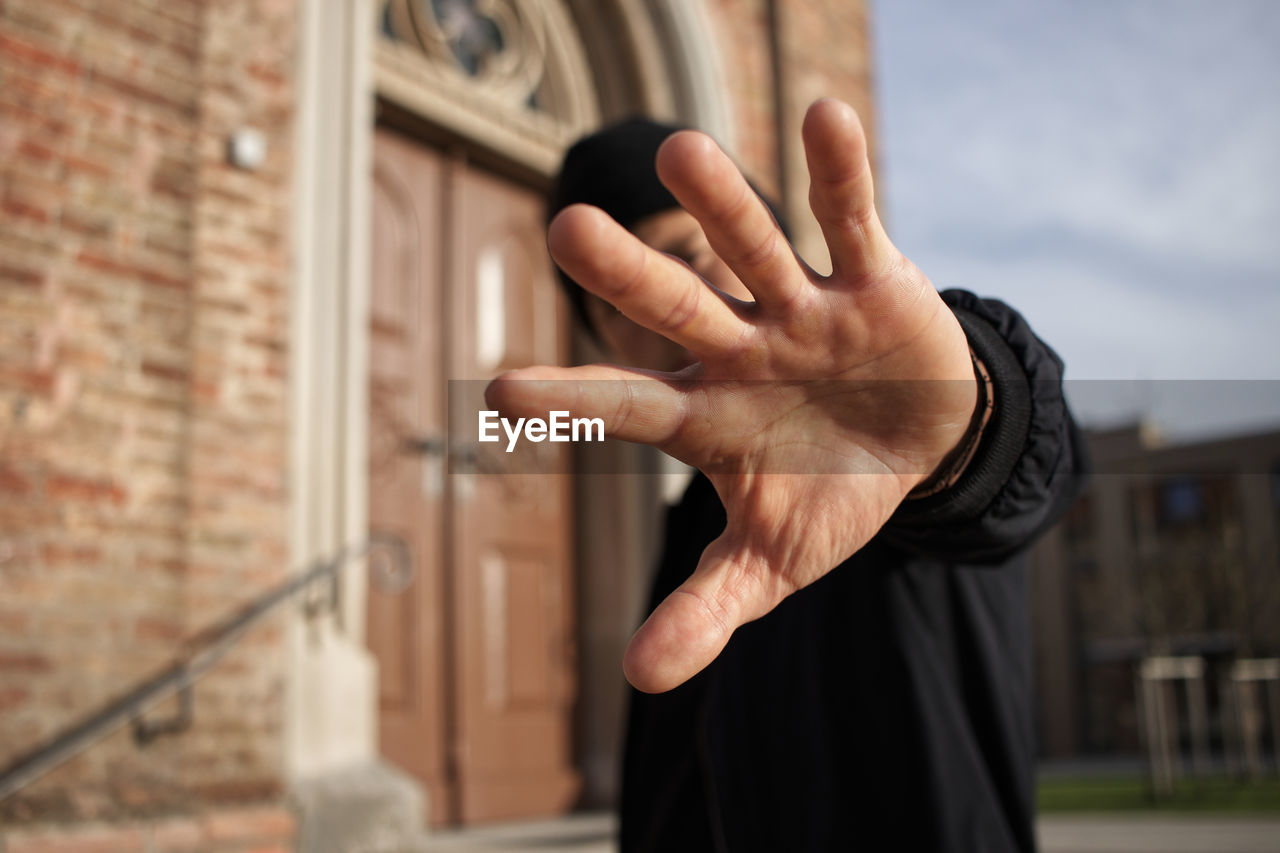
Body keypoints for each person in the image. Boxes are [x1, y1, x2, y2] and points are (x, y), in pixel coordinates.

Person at [487, 98, 1086, 852]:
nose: (671, 295)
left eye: (689, 249)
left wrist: (966, 419)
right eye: (616, 296)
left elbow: (1041, 465)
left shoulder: (871, 436)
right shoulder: (688, 531)